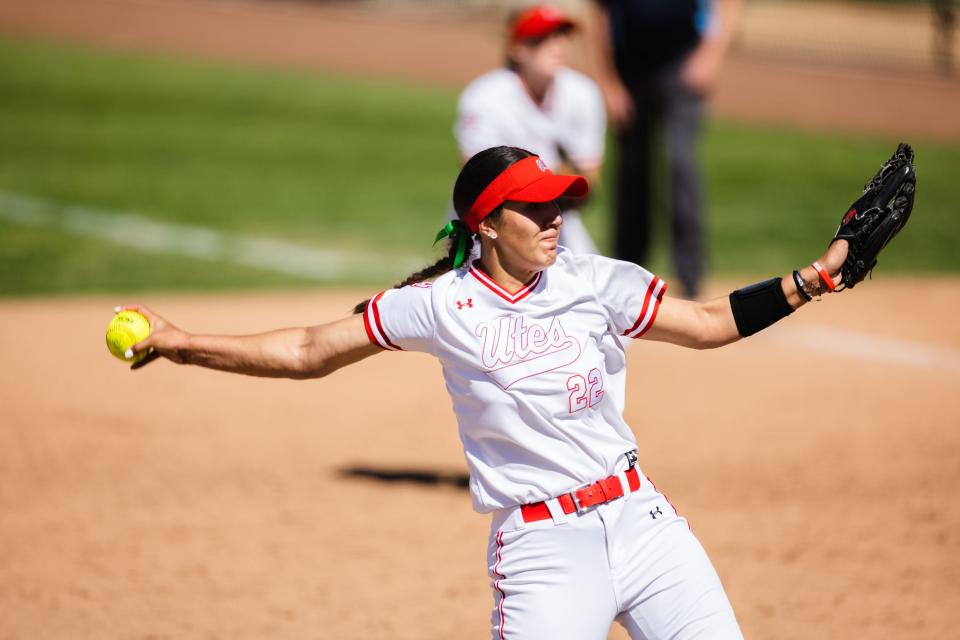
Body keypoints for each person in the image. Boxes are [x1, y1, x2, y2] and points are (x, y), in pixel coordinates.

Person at [121, 146, 849, 640]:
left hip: (644, 523)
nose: (555, 217)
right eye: (535, 208)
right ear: (488, 225)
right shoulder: (440, 305)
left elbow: (710, 321)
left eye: (559, 202)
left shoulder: (593, 280)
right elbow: (312, 349)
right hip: (543, 547)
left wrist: (813, 279)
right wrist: (183, 343)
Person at [586, 0, 742, 298]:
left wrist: (712, 54)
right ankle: (627, 273)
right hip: (628, 64)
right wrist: (607, 82)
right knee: (632, 172)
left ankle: (691, 276)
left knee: (680, 163)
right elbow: (599, 12)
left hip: (683, 60)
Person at [455, 4, 606, 254]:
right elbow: (480, 180)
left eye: (560, 36)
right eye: (542, 39)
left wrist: (563, 188)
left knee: (591, 284)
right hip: (489, 220)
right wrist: (554, 178)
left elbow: (590, 181)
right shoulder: (484, 97)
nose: (555, 46)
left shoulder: (583, 93)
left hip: (554, 215)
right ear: (518, 49)